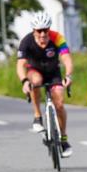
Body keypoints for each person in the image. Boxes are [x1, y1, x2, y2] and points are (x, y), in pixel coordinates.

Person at [16, 12, 74, 157]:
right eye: (39, 31)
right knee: (35, 82)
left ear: (49, 29)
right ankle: (37, 116)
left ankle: (64, 138)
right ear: (33, 30)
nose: (42, 34)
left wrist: (68, 75)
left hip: (53, 72)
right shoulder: (26, 41)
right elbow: (20, 65)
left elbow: (66, 58)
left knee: (59, 104)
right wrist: (24, 81)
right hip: (34, 71)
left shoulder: (57, 37)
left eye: (45, 30)